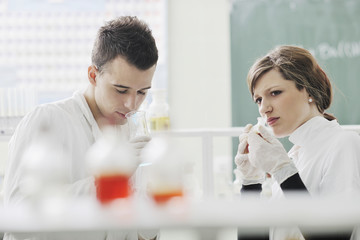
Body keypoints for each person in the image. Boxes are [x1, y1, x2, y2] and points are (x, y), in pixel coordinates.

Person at [3, 16, 159, 240]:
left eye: (142, 92)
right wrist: (107, 184)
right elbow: (18, 216)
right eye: (121, 90)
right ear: (93, 75)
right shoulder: (47, 121)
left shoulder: (130, 136)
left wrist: (151, 211)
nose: (131, 104)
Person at [235, 45, 360, 240]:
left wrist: (283, 171)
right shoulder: (294, 157)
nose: (264, 108)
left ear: (308, 89)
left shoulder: (344, 143)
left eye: (275, 93)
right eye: (258, 99)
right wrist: (251, 183)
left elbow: (335, 237)